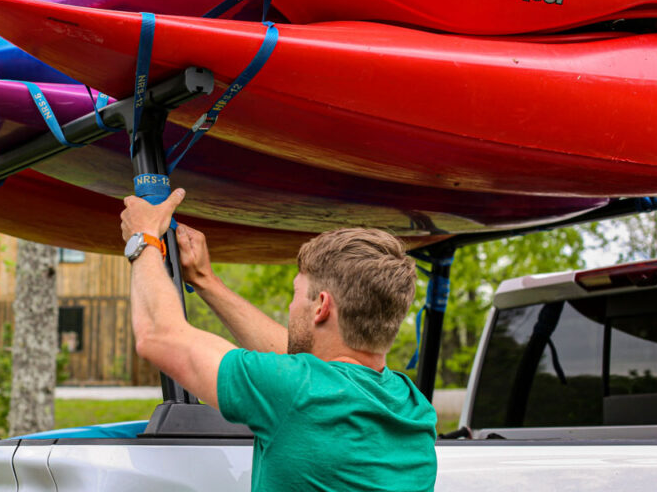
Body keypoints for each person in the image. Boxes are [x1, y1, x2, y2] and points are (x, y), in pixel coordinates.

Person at [120, 188, 437, 492]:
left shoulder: (296, 393)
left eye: (296, 294)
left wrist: (143, 236)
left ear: (321, 306)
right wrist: (206, 281)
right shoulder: (413, 409)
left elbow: (158, 334)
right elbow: (304, 360)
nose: (290, 306)